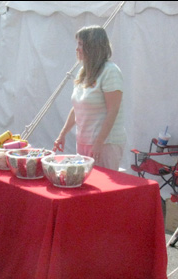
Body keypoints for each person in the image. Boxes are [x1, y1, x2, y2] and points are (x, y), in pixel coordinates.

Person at [53, 25, 126, 171]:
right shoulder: (84, 72)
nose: (77, 48)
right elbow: (77, 108)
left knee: (104, 189)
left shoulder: (110, 71)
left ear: (92, 47)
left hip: (105, 144)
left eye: (80, 44)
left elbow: (113, 110)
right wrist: (62, 134)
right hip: (84, 142)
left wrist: (99, 142)